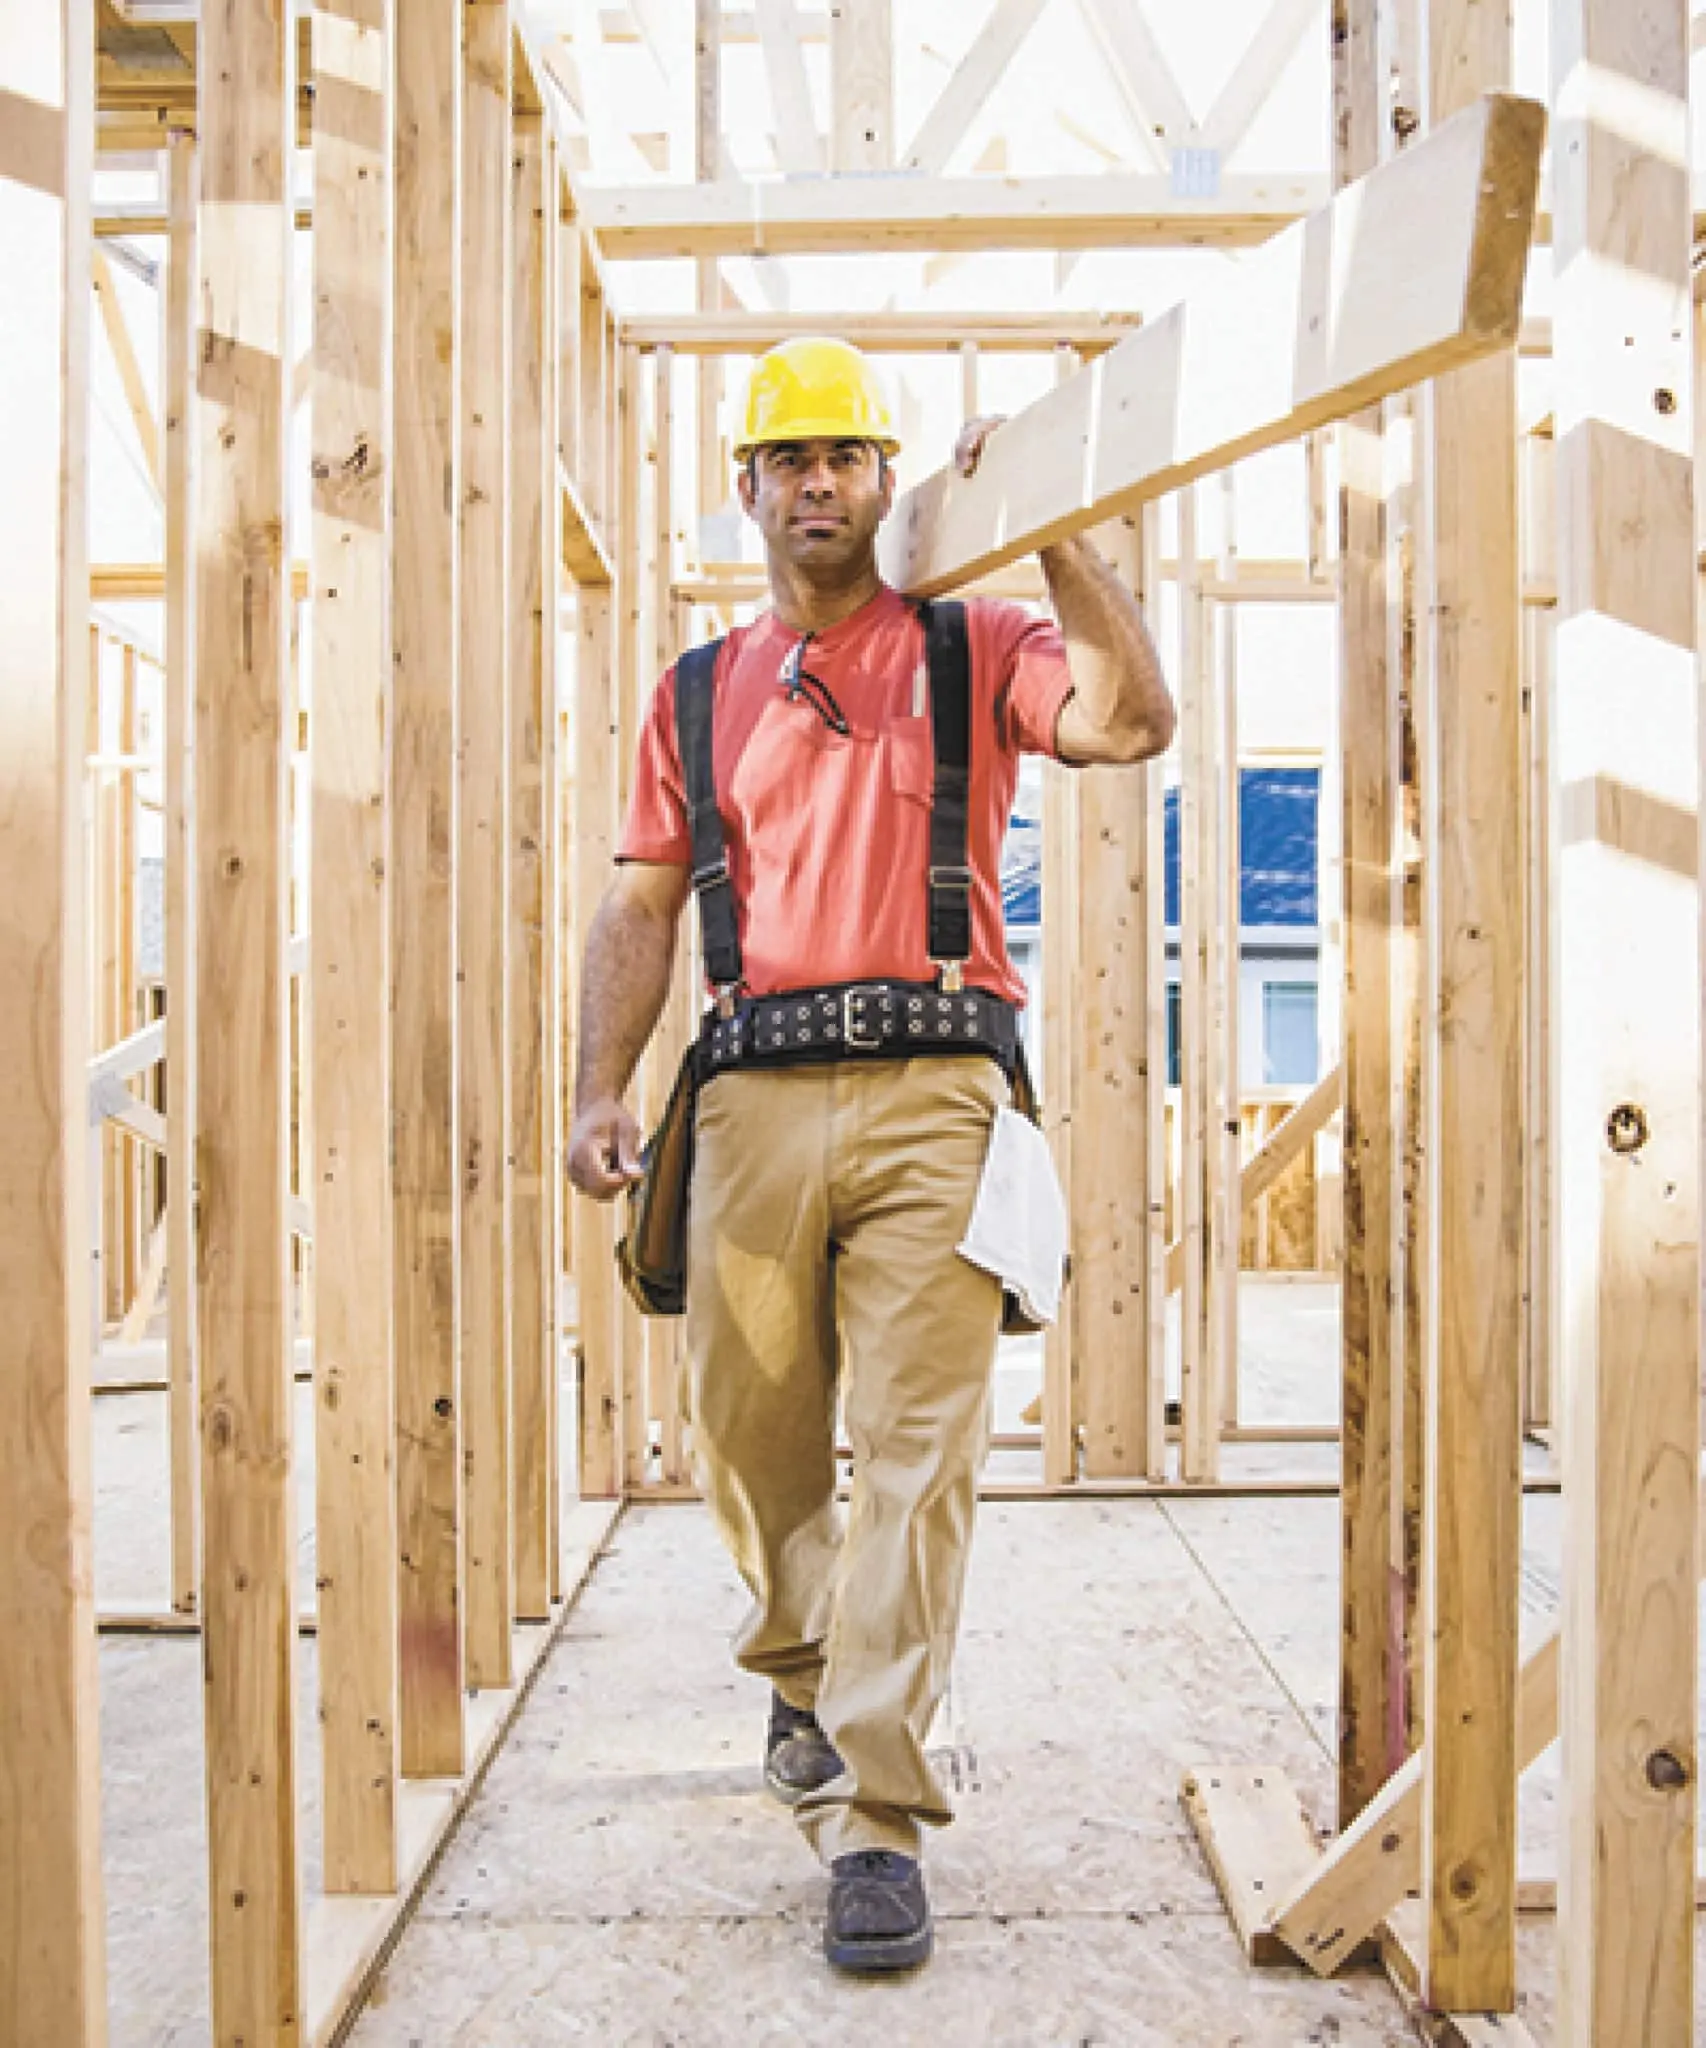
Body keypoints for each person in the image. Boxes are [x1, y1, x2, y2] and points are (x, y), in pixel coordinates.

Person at [569, 336, 1174, 1975]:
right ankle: (799, 1666)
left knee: (916, 1456)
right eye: (789, 458)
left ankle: (878, 1819)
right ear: (748, 487)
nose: (817, 481)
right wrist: (597, 1089)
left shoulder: (982, 643)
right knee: (751, 1441)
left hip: (937, 1092)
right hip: (751, 1093)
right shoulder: (697, 690)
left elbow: (1129, 719)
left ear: (884, 476)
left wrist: (1059, 522)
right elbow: (638, 905)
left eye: (844, 453)